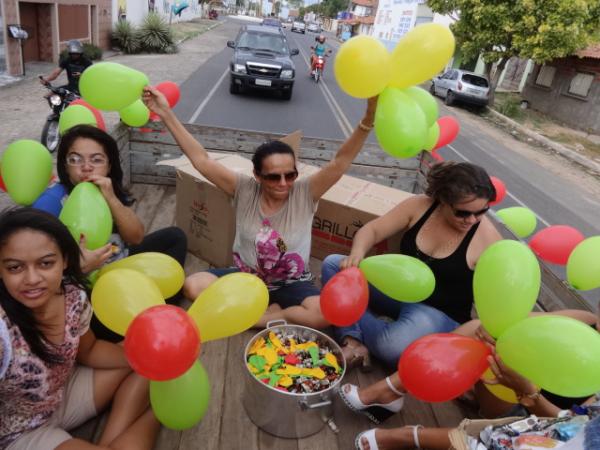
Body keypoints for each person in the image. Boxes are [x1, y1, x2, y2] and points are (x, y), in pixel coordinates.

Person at [143, 86, 378, 329]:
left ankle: (270, 316)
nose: (284, 183)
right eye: (274, 177)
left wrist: (367, 121)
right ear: (257, 175)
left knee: (323, 314)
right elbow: (201, 159)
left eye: (290, 174)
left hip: (292, 283)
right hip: (246, 278)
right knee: (193, 285)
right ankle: (272, 318)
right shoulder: (243, 189)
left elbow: (340, 163)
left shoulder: (305, 193)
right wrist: (165, 113)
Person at [0, 208, 159, 450]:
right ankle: (152, 417)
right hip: (18, 431)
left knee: (153, 358)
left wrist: (143, 359)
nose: (32, 278)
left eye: (45, 263)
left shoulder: (73, 296)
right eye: (15, 267)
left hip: (62, 393)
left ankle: (121, 434)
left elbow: (90, 350)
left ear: (65, 260)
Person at [321, 162, 503, 370]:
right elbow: (372, 230)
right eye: (462, 213)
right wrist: (356, 254)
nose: (471, 220)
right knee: (334, 265)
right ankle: (353, 338)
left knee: (391, 347)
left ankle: (363, 329)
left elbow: (500, 299)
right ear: (443, 200)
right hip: (399, 291)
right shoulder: (419, 206)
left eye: (481, 211)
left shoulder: (488, 239)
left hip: (436, 313)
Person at [343, 310, 598, 450]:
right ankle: (392, 390)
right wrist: (494, 332)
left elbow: (570, 433)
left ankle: (407, 434)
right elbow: (514, 324)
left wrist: (529, 394)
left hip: (523, 410)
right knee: (477, 327)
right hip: (514, 390)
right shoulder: (585, 321)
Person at [56, 125, 187, 341]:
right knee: (104, 328)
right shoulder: (55, 202)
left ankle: (164, 304)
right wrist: (77, 268)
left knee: (175, 237)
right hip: (89, 287)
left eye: (96, 160)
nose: (86, 167)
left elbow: (135, 237)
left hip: (120, 261)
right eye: (75, 159)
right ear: (65, 165)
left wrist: (111, 198)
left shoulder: (108, 190)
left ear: (108, 166)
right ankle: (149, 316)